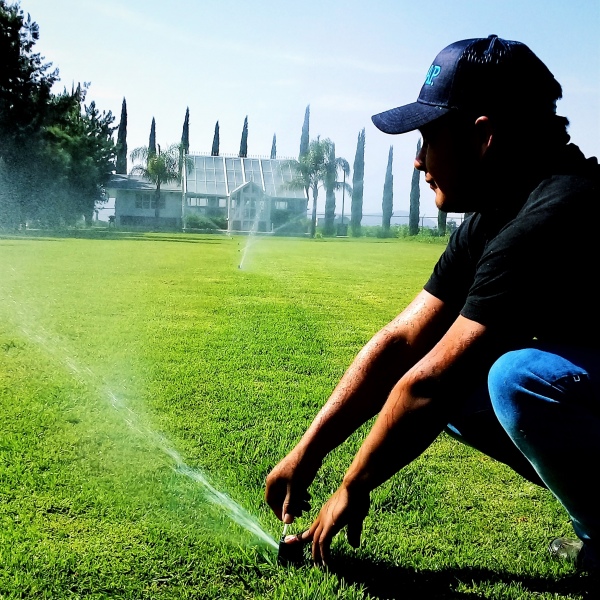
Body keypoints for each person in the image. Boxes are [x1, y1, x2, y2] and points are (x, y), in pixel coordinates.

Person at [265, 35, 600, 570]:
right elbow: (403, 342)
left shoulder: (558, 209)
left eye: (427, 137)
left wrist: (353, 485)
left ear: (483, 136)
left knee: (520, 379)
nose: (418, 159)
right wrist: (308, 451)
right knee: (473, 390)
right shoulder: (495, 215)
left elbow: (432, 382)